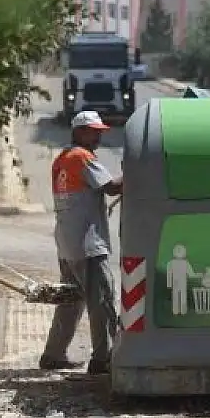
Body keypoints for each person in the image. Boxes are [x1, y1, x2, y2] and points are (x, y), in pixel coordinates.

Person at [40, 110, 122, 374]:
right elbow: (110, 187)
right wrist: (139, 170)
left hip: (68, 242)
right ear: (79, 131)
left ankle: (53, 354)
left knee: (70, 301)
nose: (98, 136)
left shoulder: (62, 159)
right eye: (94, 131)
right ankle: (103, 358)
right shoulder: (81, 157)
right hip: (88, 245)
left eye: (100, 131)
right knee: (102, 301)